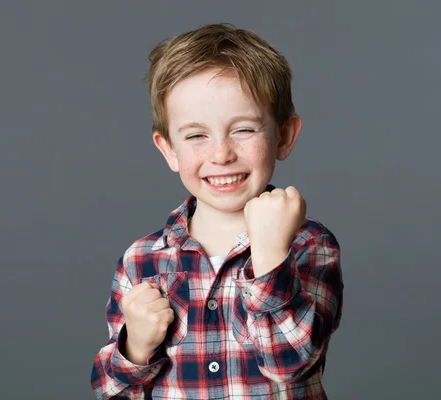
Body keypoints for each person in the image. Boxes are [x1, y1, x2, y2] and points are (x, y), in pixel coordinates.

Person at [91, 23, 344, 399]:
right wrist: (136, 347)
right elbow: (108, 390)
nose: (221, 154)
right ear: (169, 150)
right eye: (196, 135)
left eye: (243, 130)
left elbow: (288, 364)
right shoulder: (140, 260)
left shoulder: (309, 245)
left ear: (285, 136)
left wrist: (271, 257)